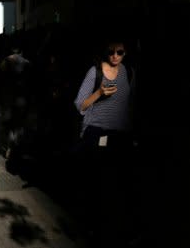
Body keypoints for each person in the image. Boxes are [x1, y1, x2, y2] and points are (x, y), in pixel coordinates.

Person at [73, 37, 137, 247]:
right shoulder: (95, 72)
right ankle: (96, 229)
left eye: (120, 52)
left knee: (119, 184)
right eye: (111, 52)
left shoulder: (127, 72)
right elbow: (80, 105)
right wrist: (99, 93)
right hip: (97, 133)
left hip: (121, 136)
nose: (115, 56)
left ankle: (116, 230)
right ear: (105, 51)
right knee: (99, 183)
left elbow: (128, 105)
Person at [0, 47, 33, 174]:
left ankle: (11, 147)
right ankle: (15, 147)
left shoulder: (5, 62)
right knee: (18, 125)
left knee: (9, 124)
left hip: (8, 98)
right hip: (21, 99)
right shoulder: (27, 64)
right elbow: (31, 84)